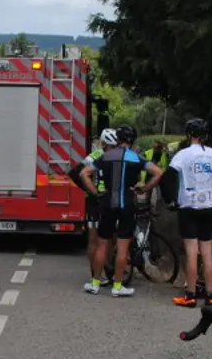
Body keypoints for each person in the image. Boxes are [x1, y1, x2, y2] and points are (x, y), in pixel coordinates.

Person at [78, 124, 165, 297]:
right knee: (123, 245)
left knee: (103, 242)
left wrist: (95, 192)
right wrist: (145, 188)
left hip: (108, 201)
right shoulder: (137, 158)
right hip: (128, 203)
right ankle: (117, 286)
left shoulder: (106, 156)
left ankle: (95, 282)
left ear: (118, 139)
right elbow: (158, 172)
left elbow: (83, 174)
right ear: (133, 140)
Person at [167, 118, 212, 307]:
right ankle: (209, 295)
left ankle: (190, 295)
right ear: (206, 136)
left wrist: (170, 200)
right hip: (208, 207)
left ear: (189, 135)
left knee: (192, 253)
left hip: (188, 207)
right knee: (207, 252)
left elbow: (167, 178)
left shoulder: (183, 155)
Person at [71, 128, 116, 286]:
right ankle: (98, 273)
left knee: (103, 238)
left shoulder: (102, 155)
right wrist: (93, 191)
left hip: (102, 199)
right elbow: (76, 172)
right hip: (100, 200)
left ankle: (101, 271)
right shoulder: (100, 156)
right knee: (98, 239)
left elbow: (76, 172)